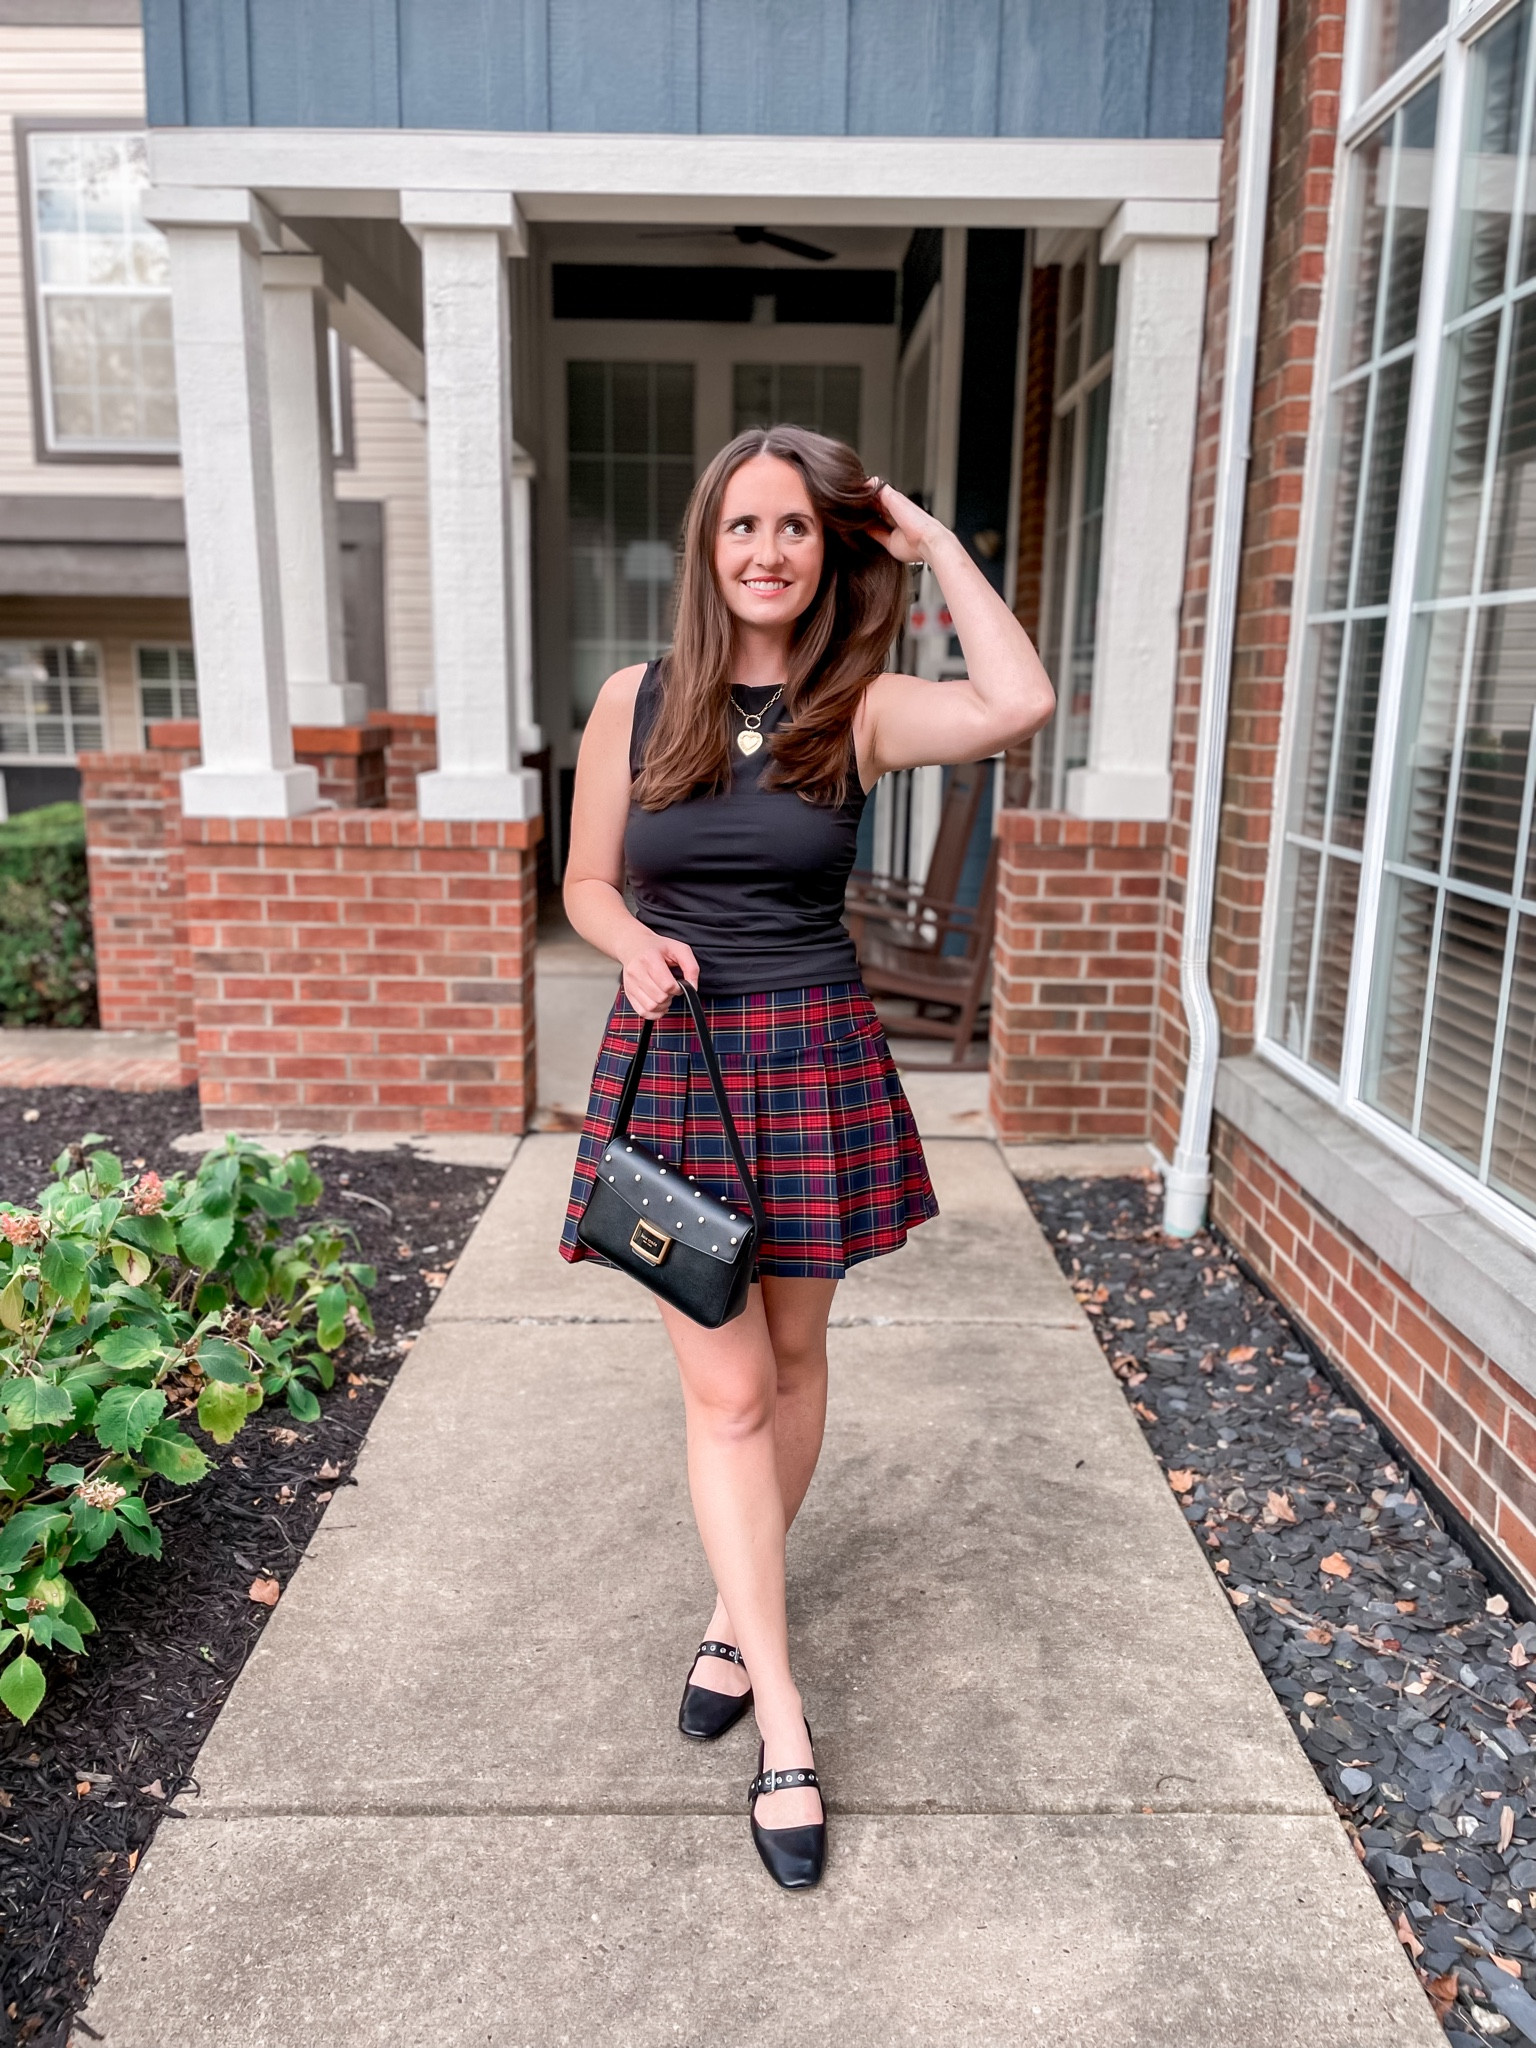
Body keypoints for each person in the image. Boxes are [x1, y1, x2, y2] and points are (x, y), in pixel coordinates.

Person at [560, 424, 1054, 1889]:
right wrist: (630, 940)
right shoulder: (637, 700)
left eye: (795, 527)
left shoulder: (861, 705)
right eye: (743, 526)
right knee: (727, 1395)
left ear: (829, 551)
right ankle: (784, 1721)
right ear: (706, 548)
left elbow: (1019, 699)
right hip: (682, 1065)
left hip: (811, 1060)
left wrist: (932, 539)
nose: (767, 551)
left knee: (790, 1362)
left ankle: (734, 1614)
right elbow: (585, 880)